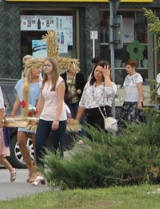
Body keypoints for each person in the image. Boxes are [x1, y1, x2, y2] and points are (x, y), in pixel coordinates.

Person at [33, 56, 67, 186]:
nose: (45, 67)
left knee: (57, 147)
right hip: (45, 116)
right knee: (39, 143)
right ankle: (40, 173)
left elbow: (60, 101)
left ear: (54, 67)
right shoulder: (44, 82)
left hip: (57, 117)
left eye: (48, 65)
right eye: (44, 65)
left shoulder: (59, 82)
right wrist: (37, 114)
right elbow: (42, 99)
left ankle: (59, 173)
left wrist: (56, 119)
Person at [10, 62, 41, 183]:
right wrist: (13, 113)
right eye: (36, 67)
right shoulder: (21, 83)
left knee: (36, 143)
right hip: (24, 116)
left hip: (35, 115)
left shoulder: (41, 84)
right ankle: (30, 167)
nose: (39, 70)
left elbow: (40, 100)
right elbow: (18, 100)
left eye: (40, 68)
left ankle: (35, 168)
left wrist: (37, 114)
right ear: (29, 69)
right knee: (21, 141)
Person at [75, 60, 117, 132]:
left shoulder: (111, 84)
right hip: (90, 114)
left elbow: (110, 92)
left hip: (102, 114)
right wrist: (77, 120)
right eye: (96, 71)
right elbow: (82, 102)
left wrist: (107, 77)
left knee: (100, 137)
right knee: (90, 137)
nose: (98, 73)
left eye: (101, 72)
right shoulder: (89, 84)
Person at [119, 59, 144, 126]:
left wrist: (139, 101)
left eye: (128, 67)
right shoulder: (127, 77)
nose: (127, 69)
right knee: (124, 120)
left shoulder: (138, 76)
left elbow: (140, 90)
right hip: (127, 100)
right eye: (126, 67)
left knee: (133, 120)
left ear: (133, 67)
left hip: (135, 101)